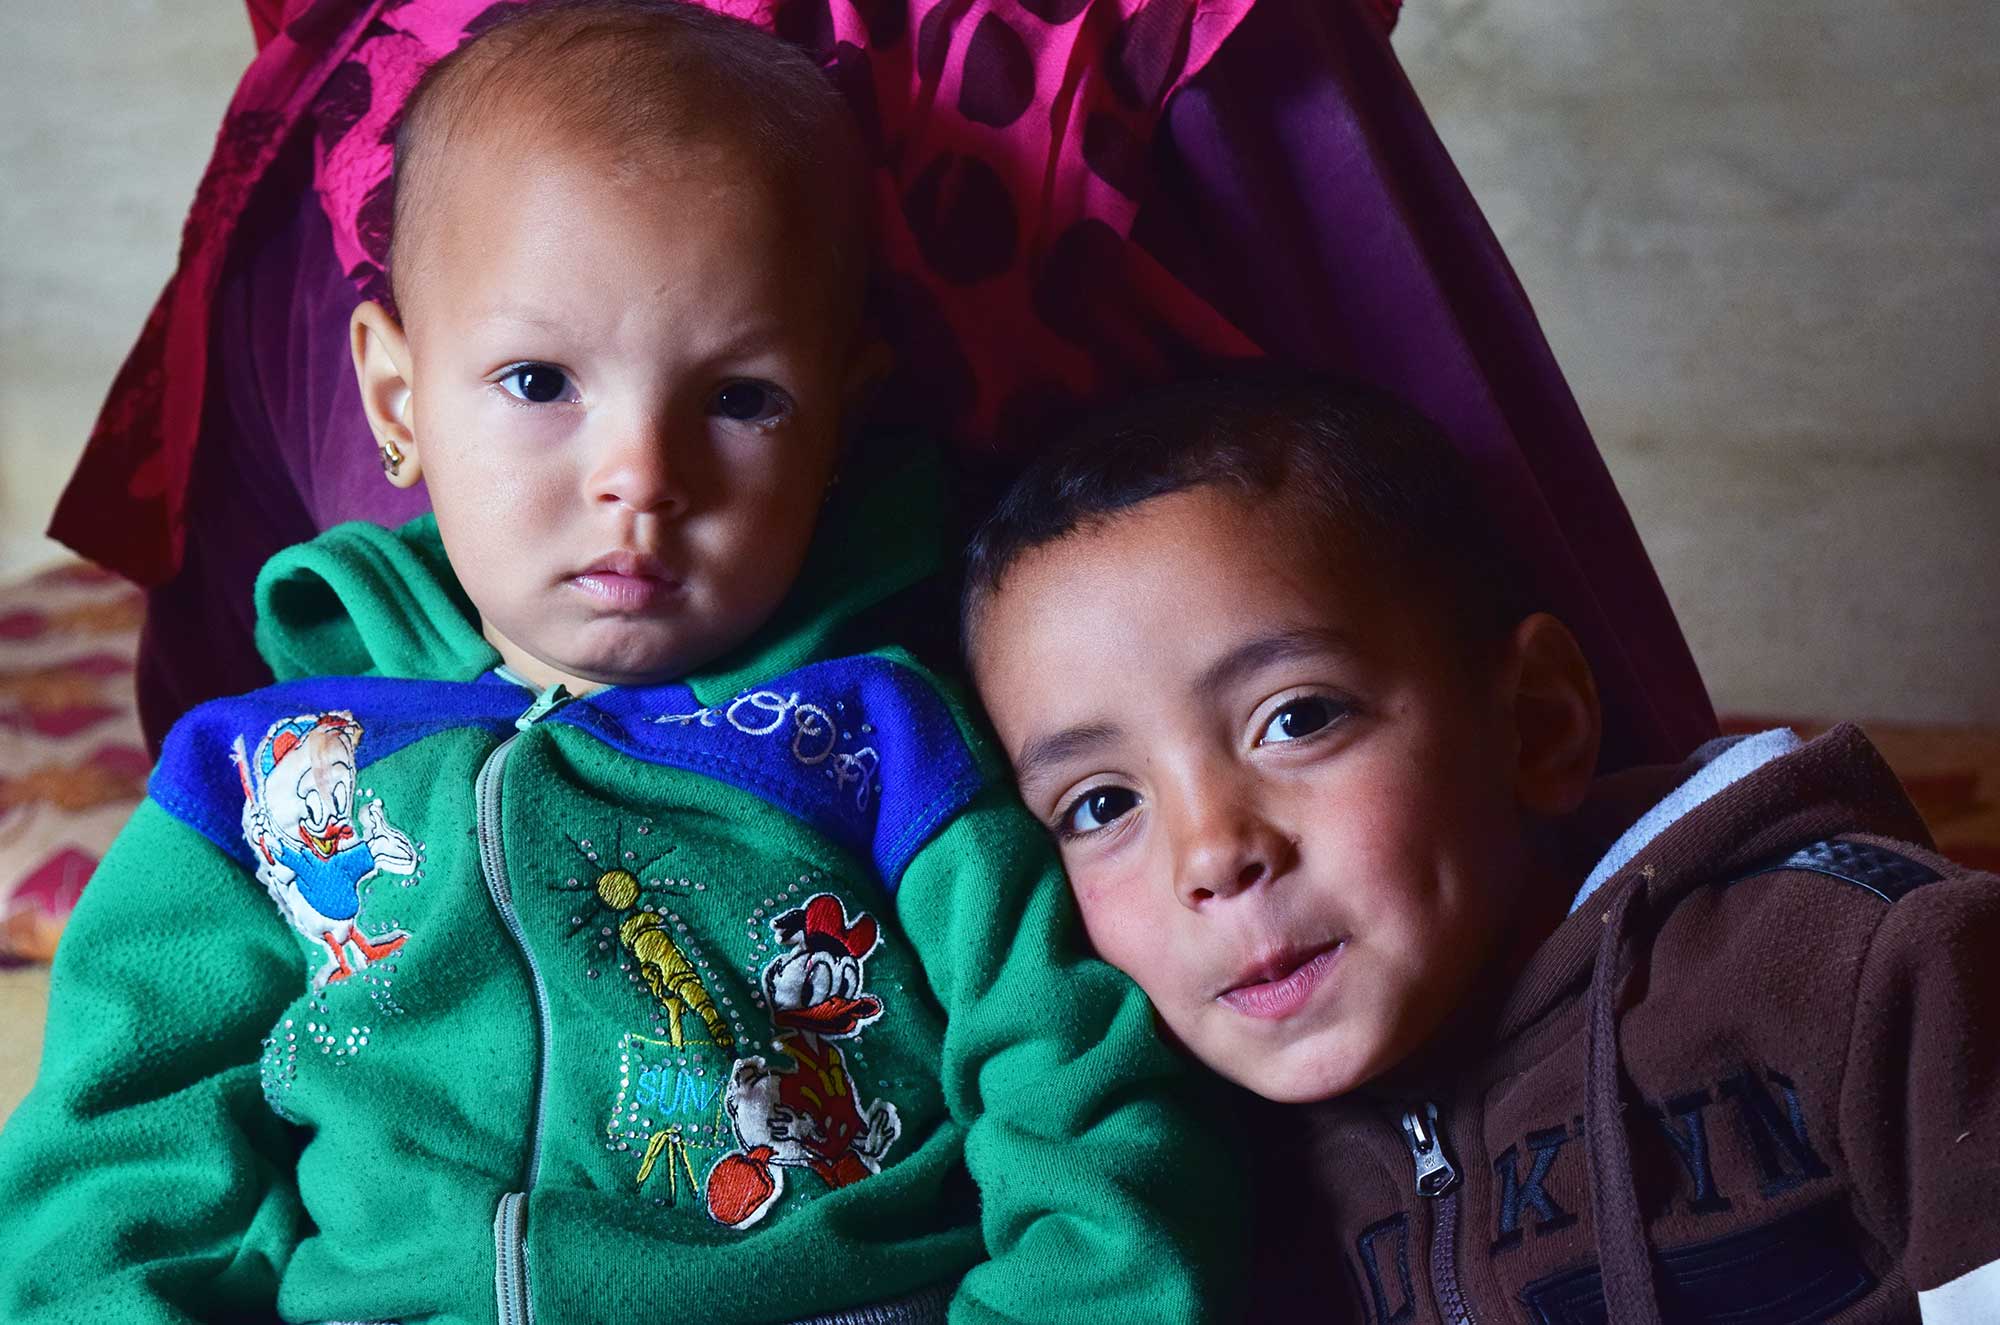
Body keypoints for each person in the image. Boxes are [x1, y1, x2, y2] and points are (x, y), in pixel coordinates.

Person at [0, 6, 1233, 1323]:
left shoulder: (895, 747)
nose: (640, 479)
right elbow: (119, 1149)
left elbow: (1077, 1095)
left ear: (839, 423)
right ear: (398, 400)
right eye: (540, 382)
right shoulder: (262, 781)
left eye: (741, 398)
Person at [963, 372, 2000, 1324]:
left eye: (1296, 716)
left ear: (1535, 722)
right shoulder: (1206, 1183)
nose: (1211, 853)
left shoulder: (1853, 965)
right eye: (1100, 804)